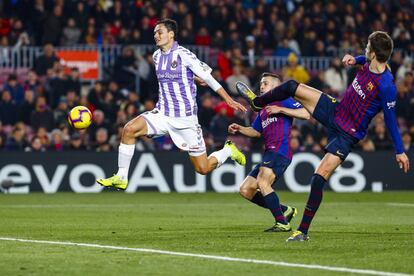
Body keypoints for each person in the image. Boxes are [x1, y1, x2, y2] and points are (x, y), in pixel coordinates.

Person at [236, 31, 410, 242]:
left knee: (318, 178)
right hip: (336, 110)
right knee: (291, 86)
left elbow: (391, 120)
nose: (365, 49)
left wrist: (400, 151)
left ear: (373, 52)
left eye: (367, 47)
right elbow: (365, 60)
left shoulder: (386, 85)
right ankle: (257, 103)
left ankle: (302, 232)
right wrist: (355, 59)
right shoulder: (369, 62)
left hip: (347, 133)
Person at [97, 19, 246, 190]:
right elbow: (184, 78)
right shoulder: (156, 56)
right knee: (129, 129)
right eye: (154, 33)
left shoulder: (184, 55)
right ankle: (121, 176)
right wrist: (194, 79)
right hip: (163, 113)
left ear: (171, 34)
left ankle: (227, 151)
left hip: (186, 120)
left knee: (203, 168)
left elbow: (208, 79)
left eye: (159, 32)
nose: (156, 35)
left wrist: (228, 99)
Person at [230, 72, 310, 232]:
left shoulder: (284, 100)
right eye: (261, 83)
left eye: (265, 83)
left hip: (280, 150)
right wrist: (240, 129)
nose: (261, 86)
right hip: (269, 152)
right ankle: (285, 210)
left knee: (262, 182)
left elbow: (306, 114)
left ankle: (282, 223)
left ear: (275, 86)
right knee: (246, 189)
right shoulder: (262, 110)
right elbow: (256, 131)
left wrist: (281, 110)